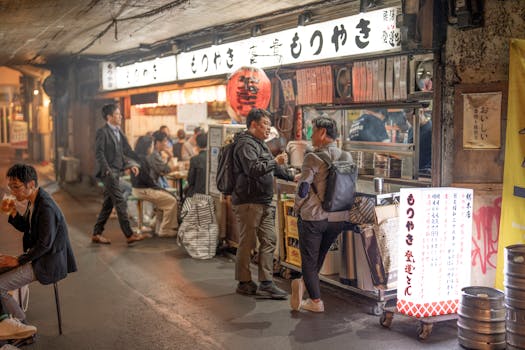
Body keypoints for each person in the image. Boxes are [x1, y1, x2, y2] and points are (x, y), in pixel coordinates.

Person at [0, 164, 77, 336]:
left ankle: (21, 324)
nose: (13, 192)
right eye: (10, 187)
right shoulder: (34, 201)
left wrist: (18, 260)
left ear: (31, 184)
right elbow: (26, 228)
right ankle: (9, 319)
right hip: (37, 257)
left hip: (46, 262)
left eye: (17, 187)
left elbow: (45, 244)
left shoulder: (46, 207)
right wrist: (12, 213)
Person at [290, 117, 353, 313]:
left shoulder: (312, 157)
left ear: (323, 133)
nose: (310, 134)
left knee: (309, 260)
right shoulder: (346, 157)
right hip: (338, 217)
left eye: (313, 130)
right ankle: (304, 284)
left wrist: (297, 207)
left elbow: (303, 189)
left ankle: (316, 301)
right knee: (318, 257)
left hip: (314, 217)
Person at [232, 108, 292, 299]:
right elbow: (253, 169)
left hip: (264, 201)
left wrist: (292, 176)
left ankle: (266, 283)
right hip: (249, 202)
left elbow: (271, 169)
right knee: (247, 243)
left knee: (269, 240)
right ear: (254, 125)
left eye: (269, 124)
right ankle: (244, 281)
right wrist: (275, 161)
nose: (268, 128)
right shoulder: (245, 144)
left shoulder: (260, 144)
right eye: (265, 124)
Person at [92, 103, 149, 245]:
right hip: (109, 173)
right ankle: (129, 234)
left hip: (117, 172)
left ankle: (96, 233)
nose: (120, 116)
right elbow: (99, 153)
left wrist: (132, 164)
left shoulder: (119, 131)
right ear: (109, 117)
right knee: (120, 201)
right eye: (117, 114)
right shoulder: (103, 132)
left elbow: (122, 153)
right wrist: (107, 170)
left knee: (108, 204)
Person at [131, 135, 178, 238]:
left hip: (138, 189)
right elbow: (147, 180)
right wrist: (158, 188)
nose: (152, 148)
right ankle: (165, 230)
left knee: (165, 198)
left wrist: (158, 188)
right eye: (151, 145)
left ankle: (156, 225)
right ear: (147, 147)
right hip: (143, 190)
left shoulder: (136, 157)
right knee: (171, 200)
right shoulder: (143, 160)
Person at [186, 132, 207, 197]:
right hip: (210, 193)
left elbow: (190, 180)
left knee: (186, 191)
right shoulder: (213, 158)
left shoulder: (194, 159)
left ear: (196, 144)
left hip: (197, 194)